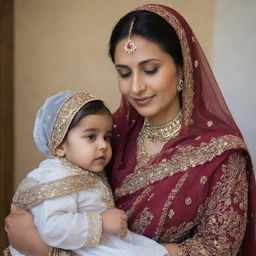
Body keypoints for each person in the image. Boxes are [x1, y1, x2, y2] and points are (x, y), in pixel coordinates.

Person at [5, 4, 256, 256]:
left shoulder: (221, 155)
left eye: (150, 70)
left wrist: (48, 252)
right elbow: (56, 198)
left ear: (182, 69)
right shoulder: (108, 132)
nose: (135, 87)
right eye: (124, 73)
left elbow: (218, 249)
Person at [6, 90, 167, 256]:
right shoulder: (57, 175)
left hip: (88, 243)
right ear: (60, 146)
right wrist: (101, 223)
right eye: (91, 137)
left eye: (106, 137)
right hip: (75, 245)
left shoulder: (83, 169)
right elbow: (53, 227)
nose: (103, 145)